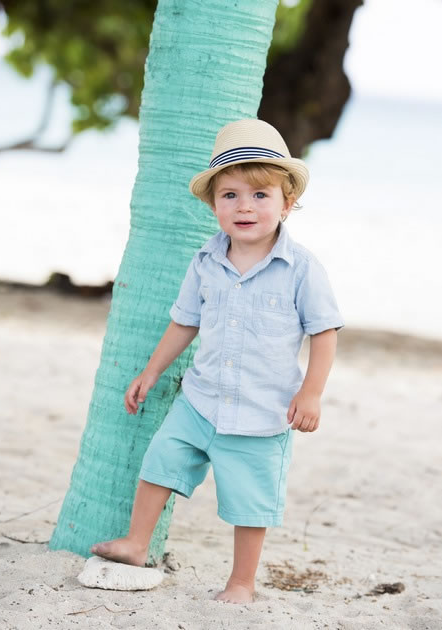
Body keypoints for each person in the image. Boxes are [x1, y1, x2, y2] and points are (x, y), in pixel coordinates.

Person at [90, 119, 343, 604]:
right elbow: (185, 321)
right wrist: (152, 370)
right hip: (200, 400)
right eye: (229, 195)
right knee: (159, 462)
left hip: (262, 414)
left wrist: (311, 392)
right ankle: (136, 544)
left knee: (250, 504)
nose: (244, 206)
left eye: (260, 195)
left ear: (287, 204)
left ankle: (241, 583)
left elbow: (324, 332)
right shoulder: (205, 261)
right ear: (213, 205)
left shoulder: (302, 268)